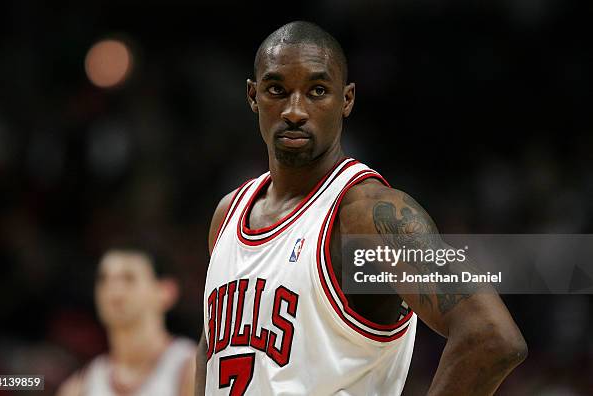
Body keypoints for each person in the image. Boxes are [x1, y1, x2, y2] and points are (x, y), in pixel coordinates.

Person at [196, 21, 527, 395]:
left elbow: (491, 336)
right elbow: (212, 351)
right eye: (277, 90)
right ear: (253, 96)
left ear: (346, 100)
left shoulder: (366, 216)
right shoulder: (228, 214)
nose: (294, 110)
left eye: (317, 91)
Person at [57, 246, 196, 396]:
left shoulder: (191, 368)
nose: (114, 290)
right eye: (104, 279)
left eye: (129, 278)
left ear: (166, 292)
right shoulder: (79, 387)